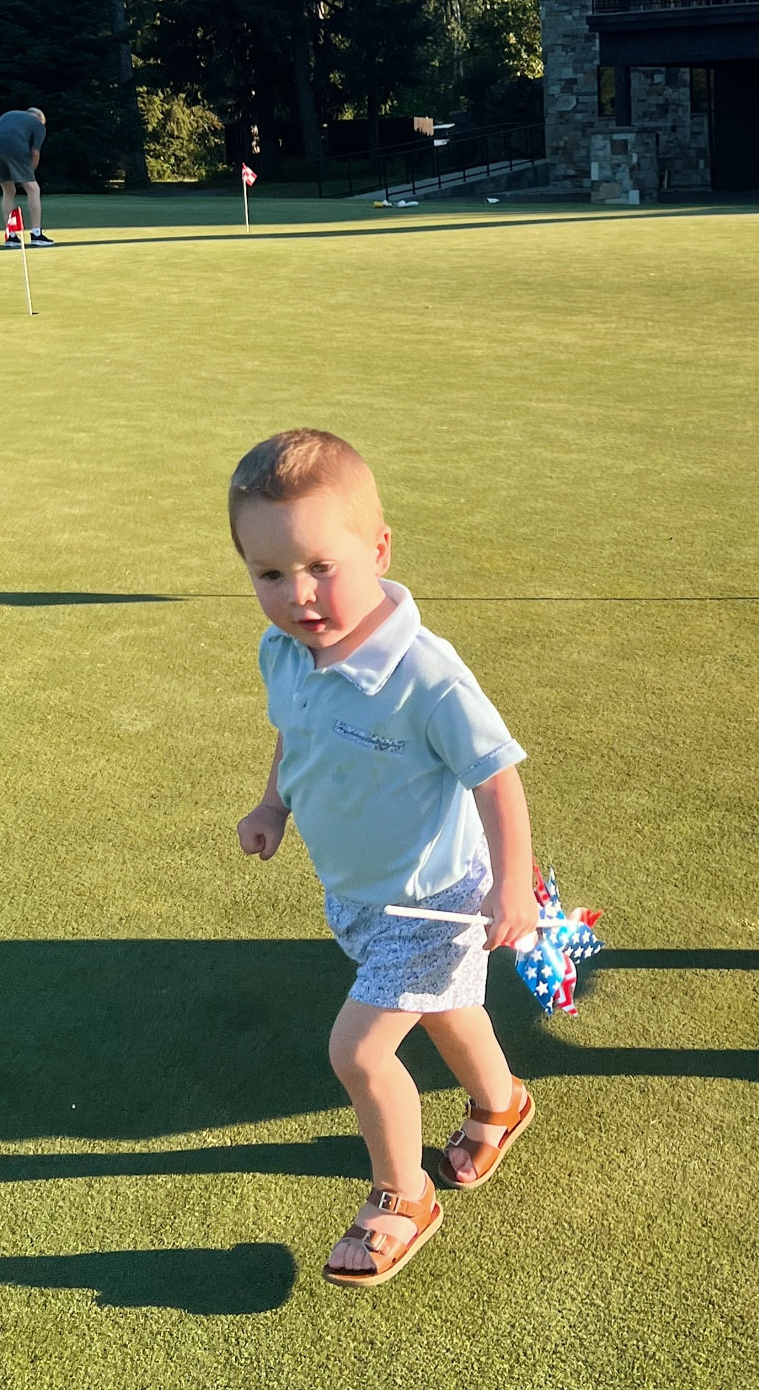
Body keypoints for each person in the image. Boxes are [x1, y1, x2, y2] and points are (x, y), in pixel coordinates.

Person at [231, 429, 541, 1286]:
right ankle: (501, 1102)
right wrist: (272, 802)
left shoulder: (425, 674)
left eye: (319, 566)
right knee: (445, 1011)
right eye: (269, 573)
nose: (298, 593)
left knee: (361, 1051)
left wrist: (512, 885)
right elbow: (294, 733)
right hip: (360, 895)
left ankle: (402, 1196)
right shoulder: (283, 650)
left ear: (378, 548)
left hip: (436, 900)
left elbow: (496, 777)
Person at [0, 106, 53, 246]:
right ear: (40, 119)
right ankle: (36, 234)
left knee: (8, 190)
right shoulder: (38, 124)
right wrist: (30, 173)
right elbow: (35, 152)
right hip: (13, 147)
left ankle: (11, 236)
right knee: (33, 189)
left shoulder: (9, 114)